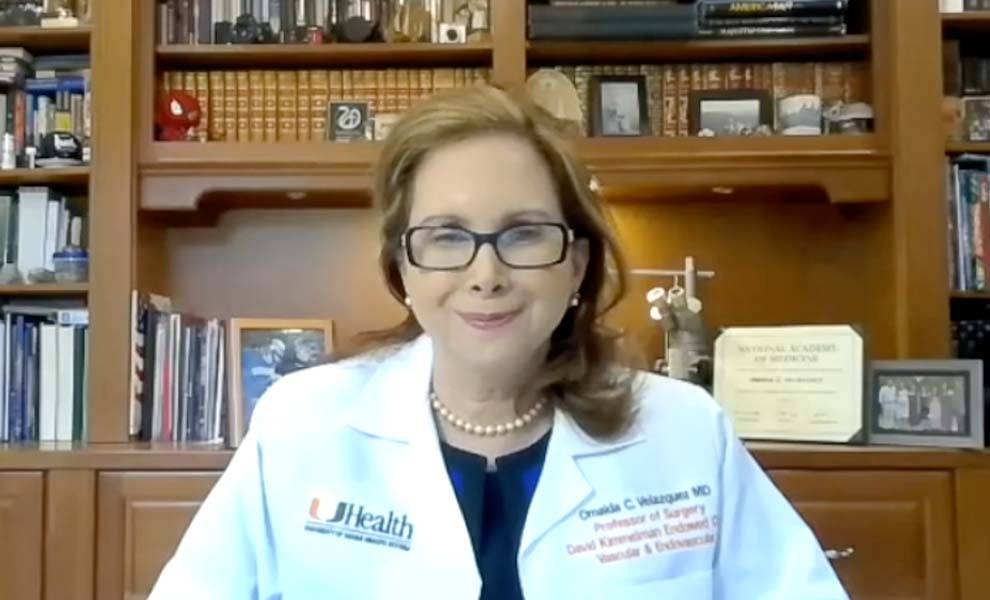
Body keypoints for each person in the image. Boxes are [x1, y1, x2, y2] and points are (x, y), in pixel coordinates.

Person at [149, 86, 847, 599]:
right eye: (448, 237)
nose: (487, 275)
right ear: (403, 268)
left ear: (576, 263)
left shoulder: (684, 430)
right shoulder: (303, 423)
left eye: (523, 234)